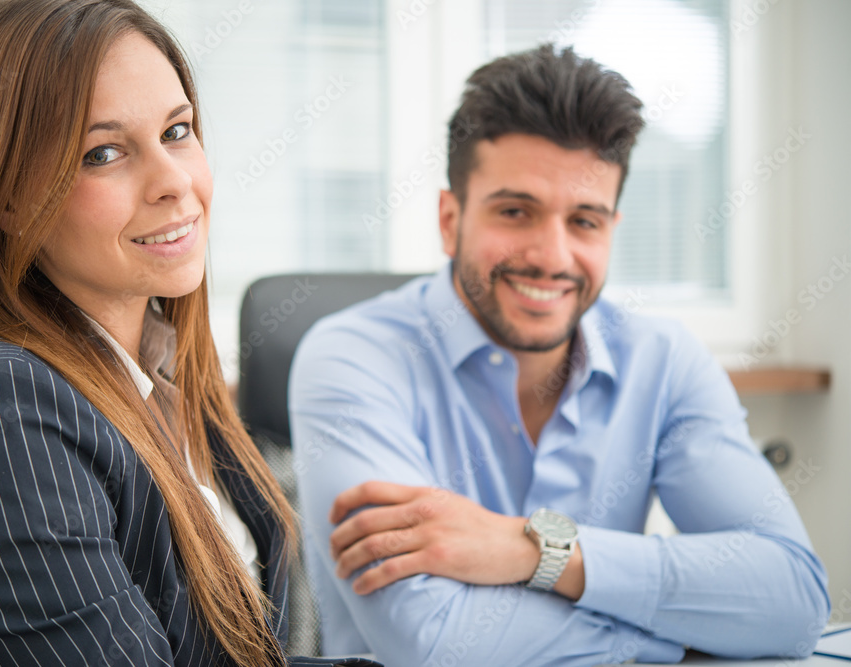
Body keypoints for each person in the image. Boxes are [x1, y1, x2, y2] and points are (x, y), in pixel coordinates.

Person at [289, 45, 830, 666]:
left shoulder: (666, 360)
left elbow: (792, 599)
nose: (551, 256)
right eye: (515, 211)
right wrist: (683, 631)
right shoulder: (353, 356)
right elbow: (432, 644)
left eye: (584, 221)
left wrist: (535, 550)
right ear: (449, 219)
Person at [0, 1, 381, 665]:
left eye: (178, 131)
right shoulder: (0, 412)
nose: (176, 183)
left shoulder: (174, 386)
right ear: (6, 199)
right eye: (104, 152)